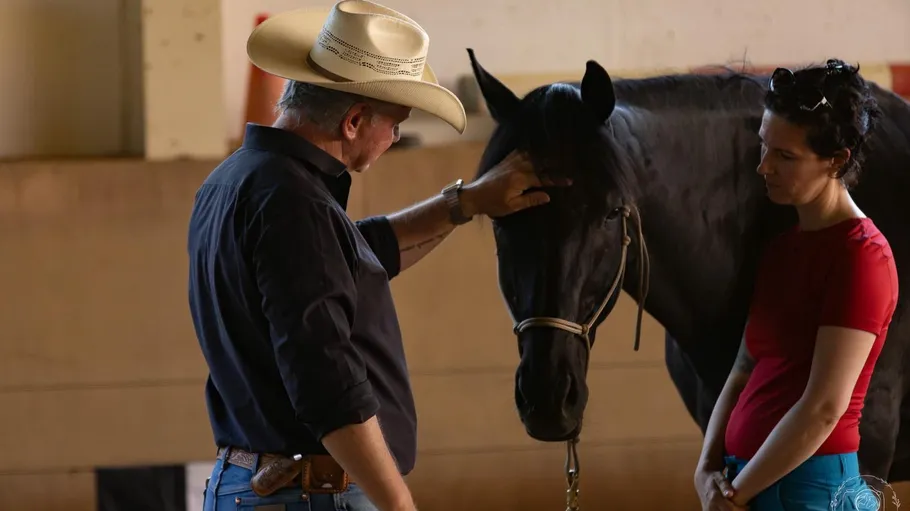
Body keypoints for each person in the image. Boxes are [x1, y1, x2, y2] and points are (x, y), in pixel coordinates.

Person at [186, 2, 568, 510]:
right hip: (313, 495)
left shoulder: (235, 182)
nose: (394, 138)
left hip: (250, 485)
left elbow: (357, 255)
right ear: (354, 120)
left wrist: (466, 201)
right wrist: (398, 504)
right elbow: (328, 384)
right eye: (394, 124)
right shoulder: (296, 204)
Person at [693, 59, 899, 510]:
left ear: (837, 160)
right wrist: (707, 468)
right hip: (745, 482)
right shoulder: (784, 248)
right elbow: (744, 369)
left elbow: (824, 407)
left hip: (812, 492)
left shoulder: (862, 256)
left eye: (785, 156)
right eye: (764, 147)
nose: (764, 167)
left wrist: (736, 493)